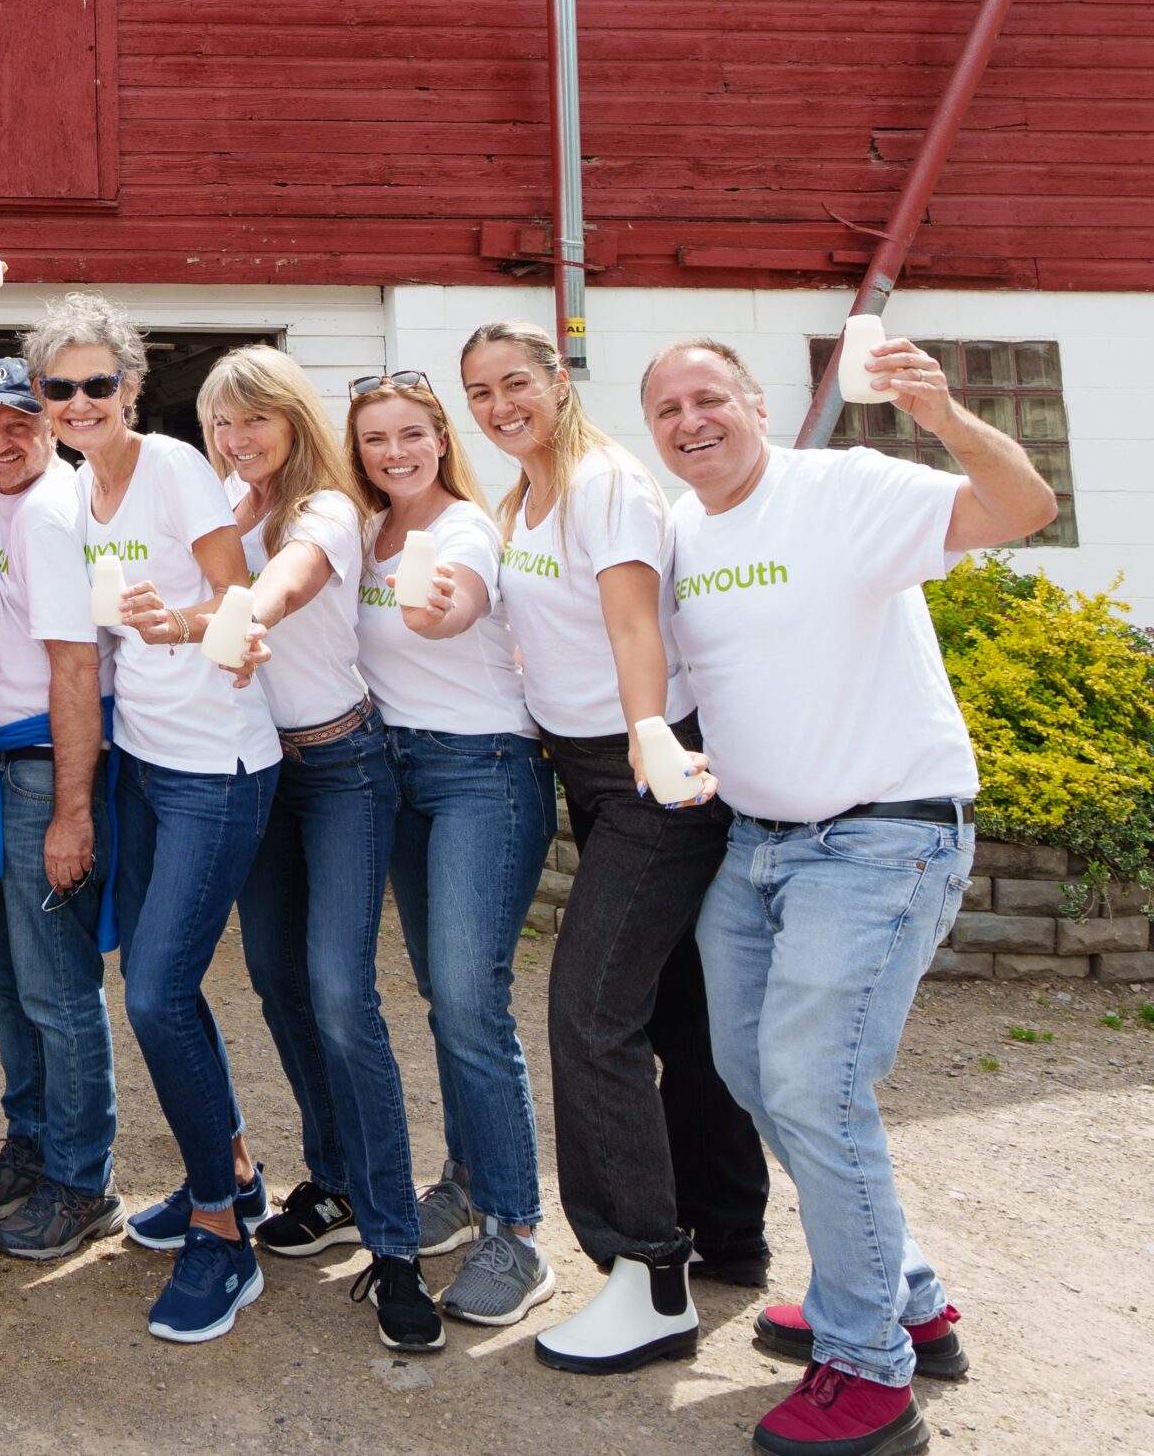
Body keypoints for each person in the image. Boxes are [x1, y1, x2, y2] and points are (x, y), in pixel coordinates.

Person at [646, 334, 1052, 1456]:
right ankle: (902, 1299)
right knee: (747, 1071)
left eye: (708, 397)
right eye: (668, 408)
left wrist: (950, 421)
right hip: (758, 845)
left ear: (756, 402)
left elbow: (1020, 508)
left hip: (881, 837)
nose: (691, 421)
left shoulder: (846, 489)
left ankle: (869, 1370)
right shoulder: (679, 531)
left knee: (814, 1088)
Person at [458, 321, 770, 1374]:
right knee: (672, 1006)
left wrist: (645, 740)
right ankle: (727, 1233)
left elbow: (636, 627)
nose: (500, 405)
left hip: (650, 770)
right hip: (591, 773)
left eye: (516, 382)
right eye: (480, 391)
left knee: (588, 1011)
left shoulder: (601, 481)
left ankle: (646, 1276)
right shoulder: (524, 496)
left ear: (556, 381)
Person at [26, 294, 284, 1348]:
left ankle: (222, 1237)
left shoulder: (173, 465)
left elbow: (238, 594)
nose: (80, 402)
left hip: (219, 765)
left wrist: (184, 627)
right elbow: (77, 665)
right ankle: (226, 1170)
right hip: (143, 760)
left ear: (130, 388)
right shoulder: (69, 499)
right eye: (61, 387)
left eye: (99, 384)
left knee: (155, 995)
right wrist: (75, 807)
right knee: (159, 983)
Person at [205, 348, 426, 1318]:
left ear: (293, 420)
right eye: (219, 422)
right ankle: (331, 1177)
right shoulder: (228, 504)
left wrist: (239, 607)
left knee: (341, 992)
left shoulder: (324, 511)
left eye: (253, 418)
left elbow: (288, 585)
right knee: (277, 981)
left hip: (340, 770)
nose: (237, 437)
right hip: (258, 775)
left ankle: (395, 1242)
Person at [347, 370, 554, 1332]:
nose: (395, 451)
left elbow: (456, 602)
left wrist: (436, 610)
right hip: (398, 777)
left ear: (440, 440)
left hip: (483, 775)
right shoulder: (359, 533)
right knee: (444, 996)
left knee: (474, 1001)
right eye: (376, 437)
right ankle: (466, 1180)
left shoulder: (465, 527)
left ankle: (516, 1231)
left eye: (412, 435)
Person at [0, 349, 120, 1262]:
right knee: (6, 974)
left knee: (55, 984)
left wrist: (72, 813)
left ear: (50, 425)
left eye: (21, 422)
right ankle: (32, 1142)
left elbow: (76, 665)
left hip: (43, 766)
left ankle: (82, 1179)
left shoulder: (49, 511)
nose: (2, 438)